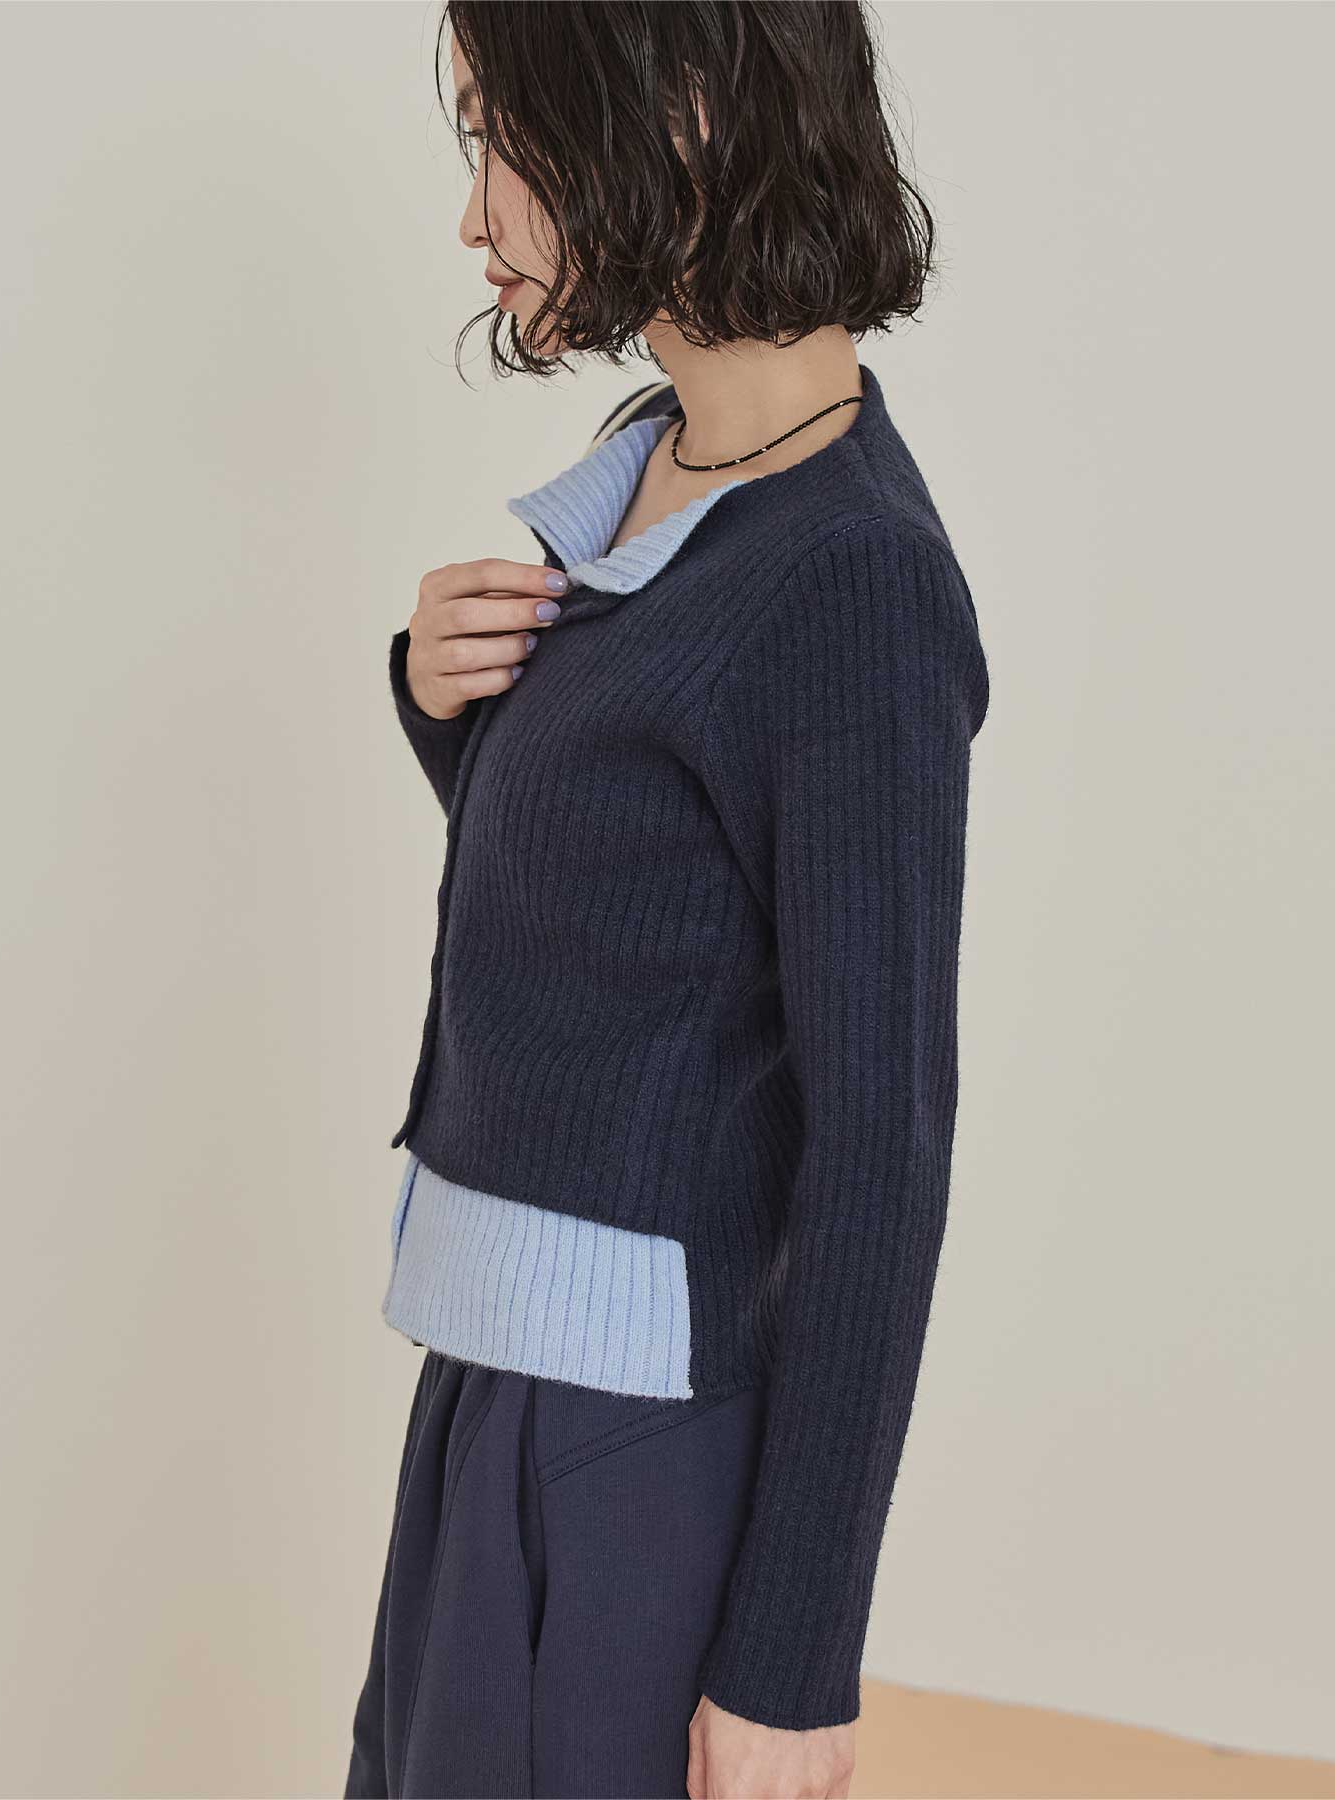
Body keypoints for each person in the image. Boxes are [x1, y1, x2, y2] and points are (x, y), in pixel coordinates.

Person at [343, 4, 991, 1796]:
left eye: (504, 132)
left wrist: (793, 1660)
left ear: (685, 108)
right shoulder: (657, 463)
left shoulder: (854, 577)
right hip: (488, 1389)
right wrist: (449, 706)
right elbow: (631, 932)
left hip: (628, 1450)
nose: (477, 211)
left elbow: (882, 1149)